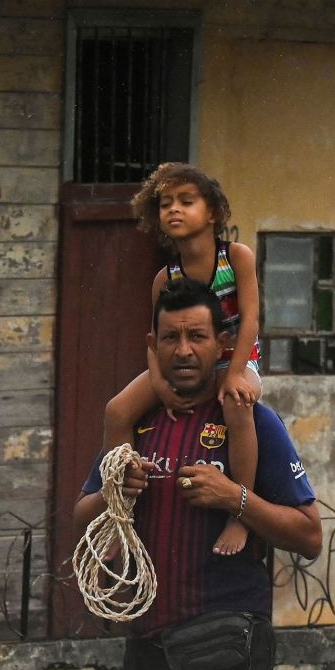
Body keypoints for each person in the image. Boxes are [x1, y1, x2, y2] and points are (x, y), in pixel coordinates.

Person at [75, 278, 320, 670]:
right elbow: (79, 518)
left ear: (222, 344)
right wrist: (115, 492)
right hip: (150, 644)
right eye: (172, 337)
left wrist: (236, 499)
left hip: (228, 641)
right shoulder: (137, 423)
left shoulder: (252, 421)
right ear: (152, 345)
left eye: (197, 337)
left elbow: (309, 534)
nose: (184, 350)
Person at [104, 162, 263, 557]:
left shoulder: (236, 257)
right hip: (180, 365)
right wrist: (159, 384)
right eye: (165, 204)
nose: (174, 209)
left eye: (186, 201)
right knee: (118, 409)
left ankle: (240, 512)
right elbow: (155, 339)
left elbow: (251, 320)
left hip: (234, 359)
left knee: (237, 407)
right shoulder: (165, 278)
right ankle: (117, 515)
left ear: (212, 213)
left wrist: (236, 372)